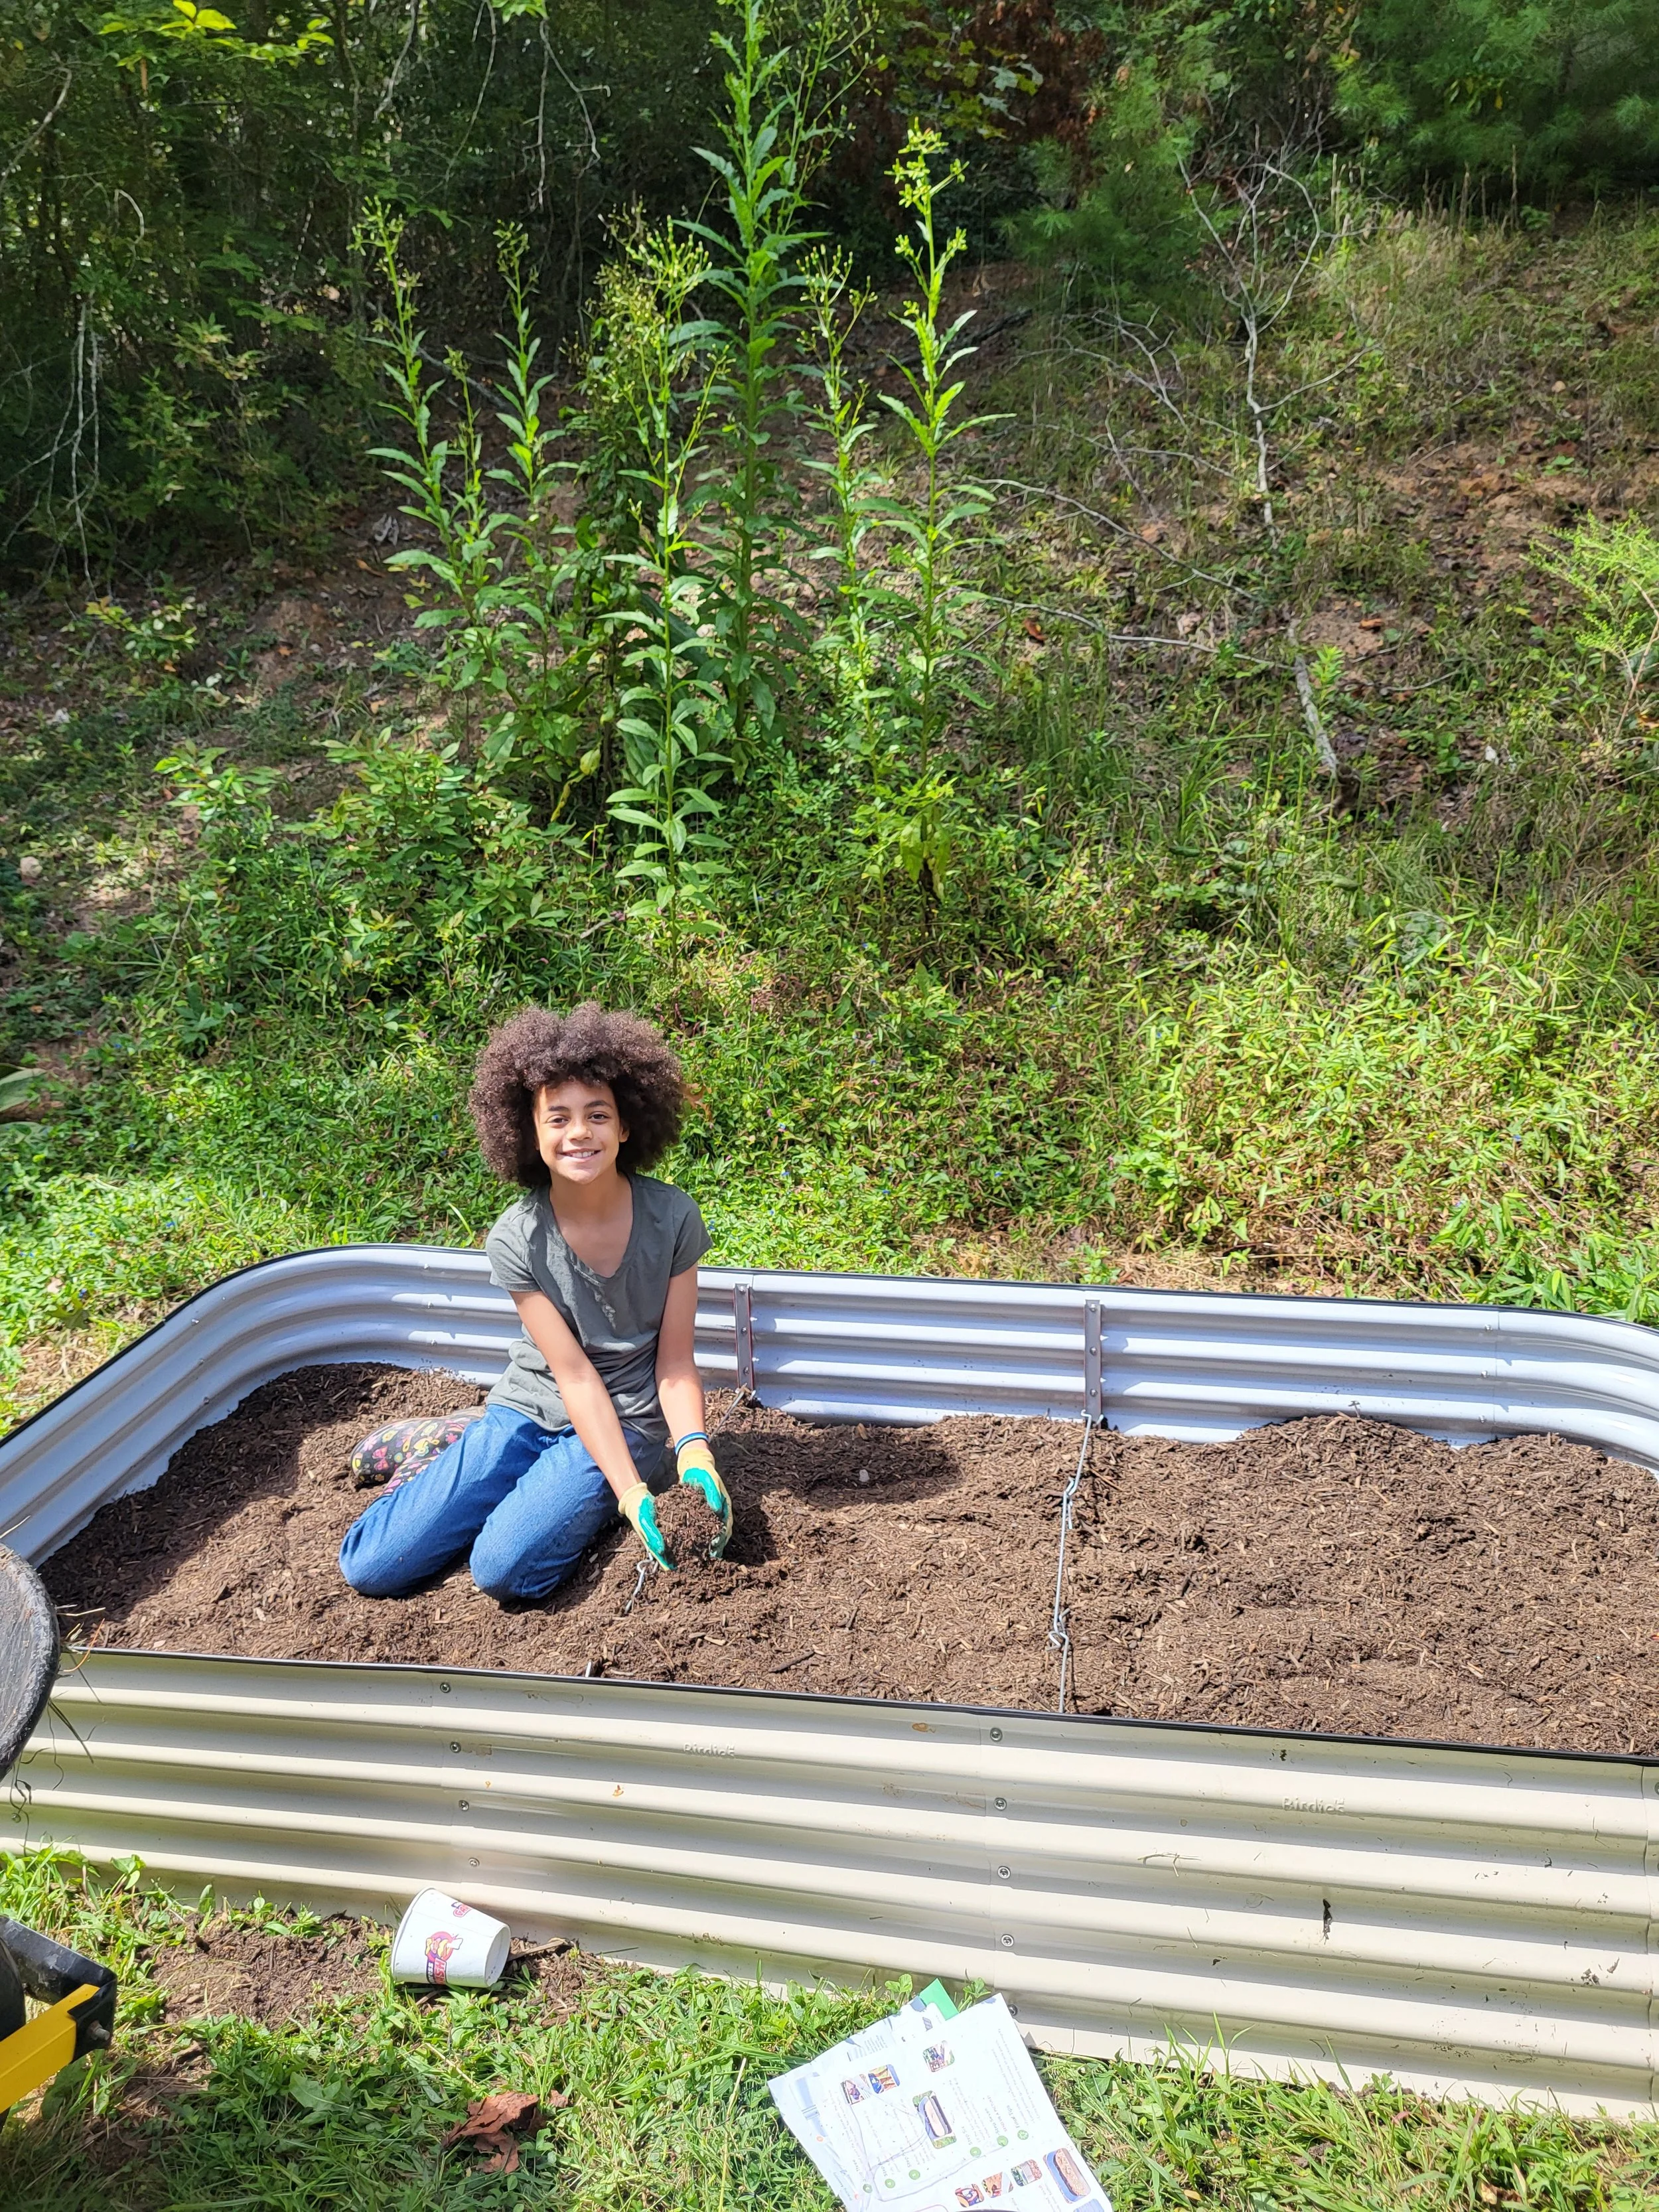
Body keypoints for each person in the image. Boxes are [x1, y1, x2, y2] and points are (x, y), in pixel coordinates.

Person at [338, 1002, 730, 1603]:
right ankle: (446, 1447)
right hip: (533, 1404)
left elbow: (674, 1364)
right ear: (531, 1131)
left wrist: (692, 1452)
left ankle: (537, 1485)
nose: (579, 1132)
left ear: (626, 1126)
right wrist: (629, 1494)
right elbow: (573, 1377)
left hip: (629, 1420)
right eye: (559, 1118)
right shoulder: (517, 1237)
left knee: (504, 1570)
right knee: (372, 1565)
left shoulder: (672, 1218)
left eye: (598, 1114)